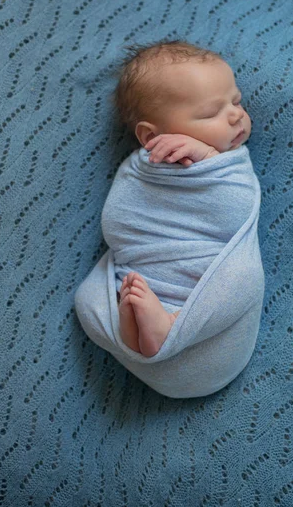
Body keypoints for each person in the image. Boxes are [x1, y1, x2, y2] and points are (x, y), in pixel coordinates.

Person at [105, 39, 252, 358]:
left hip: (204, 284)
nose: (235, 116)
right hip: (149, 271)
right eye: (212, 112)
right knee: (90, 296)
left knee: (244, 278)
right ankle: (133, 328)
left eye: (237, 102)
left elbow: (239, 215)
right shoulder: (138, 170)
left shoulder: (231, 164)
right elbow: (119, 222)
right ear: (150, 137)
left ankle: (170, 326)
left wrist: (210, 156)